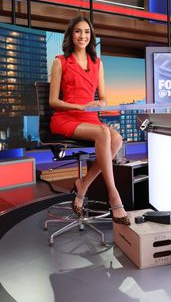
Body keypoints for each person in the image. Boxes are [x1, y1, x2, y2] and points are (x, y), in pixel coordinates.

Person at [49, 15, 130, 226]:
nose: (82, 36)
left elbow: (103, 97)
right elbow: (53, 101)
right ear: (70, 35)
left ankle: (83, 184)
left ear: (91, 36)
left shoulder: (97, 63)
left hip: (89, 118)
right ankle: (114, 196)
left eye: (86, 32)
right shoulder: (60, 62)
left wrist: (100, 103)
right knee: (104, 133)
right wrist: (80, 106)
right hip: (66, 118)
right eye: (78, 31)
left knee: (117, 139)